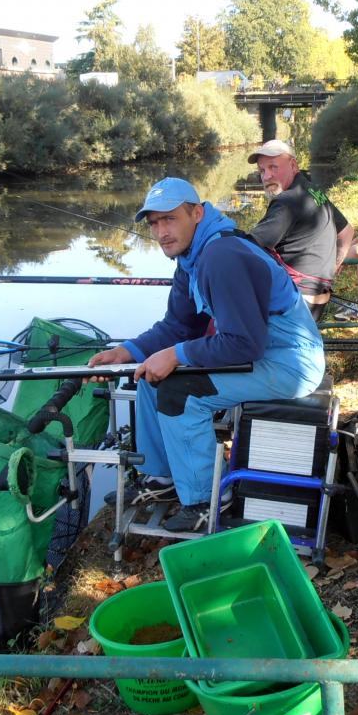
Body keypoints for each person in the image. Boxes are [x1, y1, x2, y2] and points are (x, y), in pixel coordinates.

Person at [88, 177, 325, 533]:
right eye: (154, 223)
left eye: (170, 219)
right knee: (149, 378)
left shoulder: (221, 256)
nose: (161, 232)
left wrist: (177, 355)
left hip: (291, 363)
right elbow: (179, 327)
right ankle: (161, 477)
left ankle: (202, 502)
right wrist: (127, 351)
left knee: (181, 394)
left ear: (196, 213)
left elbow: (244, 344)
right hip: (263, 355)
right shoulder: (191, 257)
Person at [248, 139, 354, 320]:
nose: (266, 177)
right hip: (317, 298)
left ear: (293, 165)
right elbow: (347, 231)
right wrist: (334, 266)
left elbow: (246, 247)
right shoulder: (312, 190)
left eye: (273, 167)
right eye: (262, 170)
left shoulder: (287, 202)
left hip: (295, 303)